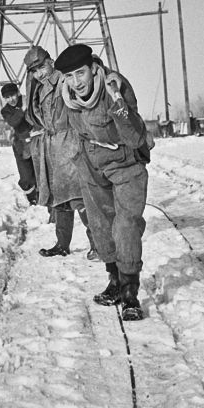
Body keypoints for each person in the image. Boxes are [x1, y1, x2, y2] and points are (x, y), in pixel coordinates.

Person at [54, 43, 153, 322]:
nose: (76, 82)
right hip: (92, 164)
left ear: (92, 68)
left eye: (80, 74)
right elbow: (64, 126)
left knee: (125, 225)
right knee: (100, 225)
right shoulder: (68, 95)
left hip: (126, 163)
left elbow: (134, 137)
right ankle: (115, 281)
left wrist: (118, 103)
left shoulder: (113, 88)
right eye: (70, 76)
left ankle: (130, 291)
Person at [23, 46, 97, 260]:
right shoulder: (37, 87)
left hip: (70, 142)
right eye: (34, 71)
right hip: (52, 147)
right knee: (60, 199)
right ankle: (62, 244)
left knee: (79, 196)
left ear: (50, 61)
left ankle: (98, 244)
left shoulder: (65, 80)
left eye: (41, 67)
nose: (39, 73)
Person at [0, 81, 38, 205]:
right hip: (21, 145)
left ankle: (44, 198)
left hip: (37, 139)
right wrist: (23, 109)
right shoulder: (6, 110)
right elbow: (13, 122)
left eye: (13, 95)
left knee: (40, 172)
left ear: (18, 93)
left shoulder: (29, 99)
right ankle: (32, 199)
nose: (11, 99)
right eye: (7, 97)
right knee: (26, 177)